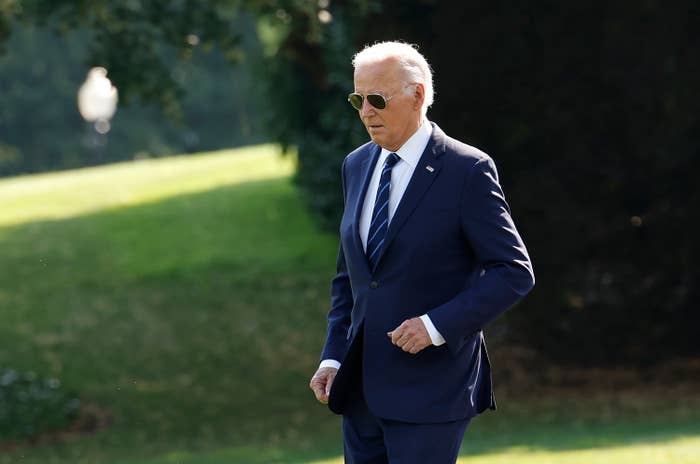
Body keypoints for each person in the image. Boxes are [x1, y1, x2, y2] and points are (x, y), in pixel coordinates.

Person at [309, 41, 535, 464]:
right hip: (359, 392)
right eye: (358, 99)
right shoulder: (355, 165)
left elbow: (513, 271)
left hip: (432, 391)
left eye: (377, 99)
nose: (365, 111)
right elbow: (350, 279)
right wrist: (333, 356)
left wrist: (435, 326)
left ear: (417, 95)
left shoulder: (466, 169)